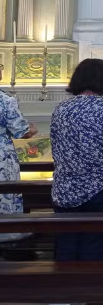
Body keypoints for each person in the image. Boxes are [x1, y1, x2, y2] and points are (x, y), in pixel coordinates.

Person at [50, 59, 103, 261]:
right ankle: (92, 287)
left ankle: (64, 287)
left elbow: (55, 148)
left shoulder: (61, 109)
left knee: (66, 242)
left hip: (65, 188)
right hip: (102, 187)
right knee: (96, 241)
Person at [0, 63, 38, 243]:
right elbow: (21, 131)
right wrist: (32, 128)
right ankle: (7, 234)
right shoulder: (5, 100)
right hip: (2, 155)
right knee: (4, 191)